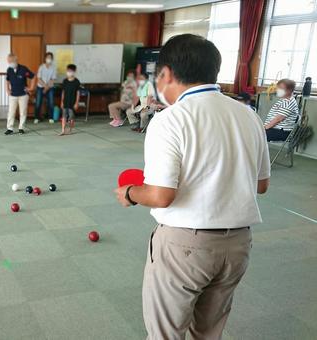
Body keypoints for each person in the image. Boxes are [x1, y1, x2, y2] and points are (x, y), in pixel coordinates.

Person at [115, 34, 270, 340]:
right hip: (237, 245)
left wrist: (130, 193)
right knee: (208, 333)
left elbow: (161, 195)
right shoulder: (248, 115)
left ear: (168, 74)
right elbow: (261, 184)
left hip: (185, 246)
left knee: (165, 335)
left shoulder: (170, 120)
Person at [5, 53, 35, 135]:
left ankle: (21, 128)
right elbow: (7, 80)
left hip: (23, 94)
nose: (10, 63)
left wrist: (31, 88)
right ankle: (10, 128)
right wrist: (7, 89)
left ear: (16, 60)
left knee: (23, 112)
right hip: (13, 94)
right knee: (11, 112)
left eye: (11, 61)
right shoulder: (9, 70)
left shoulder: (23, 69)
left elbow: (33, 77)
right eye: (9, 61)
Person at [34, 52, 57, 124]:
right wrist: (44, 86)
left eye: (50, 58)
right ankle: (37, 118)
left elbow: (53, 79)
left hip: (50, 87)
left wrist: (47, 87)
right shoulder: (41, 67)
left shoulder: (53, 68)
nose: (49, 59)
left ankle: (51, 117)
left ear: (52, 59)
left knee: (51, 102)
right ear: (45, 58)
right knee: (38, 102)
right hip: (40, 86)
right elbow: (39, 78)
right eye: (48, 57)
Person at [59, 64, 81, 136]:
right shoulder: (65, 81)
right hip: (65, 102)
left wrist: (77, 103)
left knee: (71, 117)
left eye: (71, 71)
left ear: (74, 72)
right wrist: (62, 101)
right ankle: (63, 130)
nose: (69, 72)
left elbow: (78, 93)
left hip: (72, 102)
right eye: (68, 71)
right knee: (64, 116)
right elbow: (63, 92)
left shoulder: (76, 82)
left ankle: (70, 130)